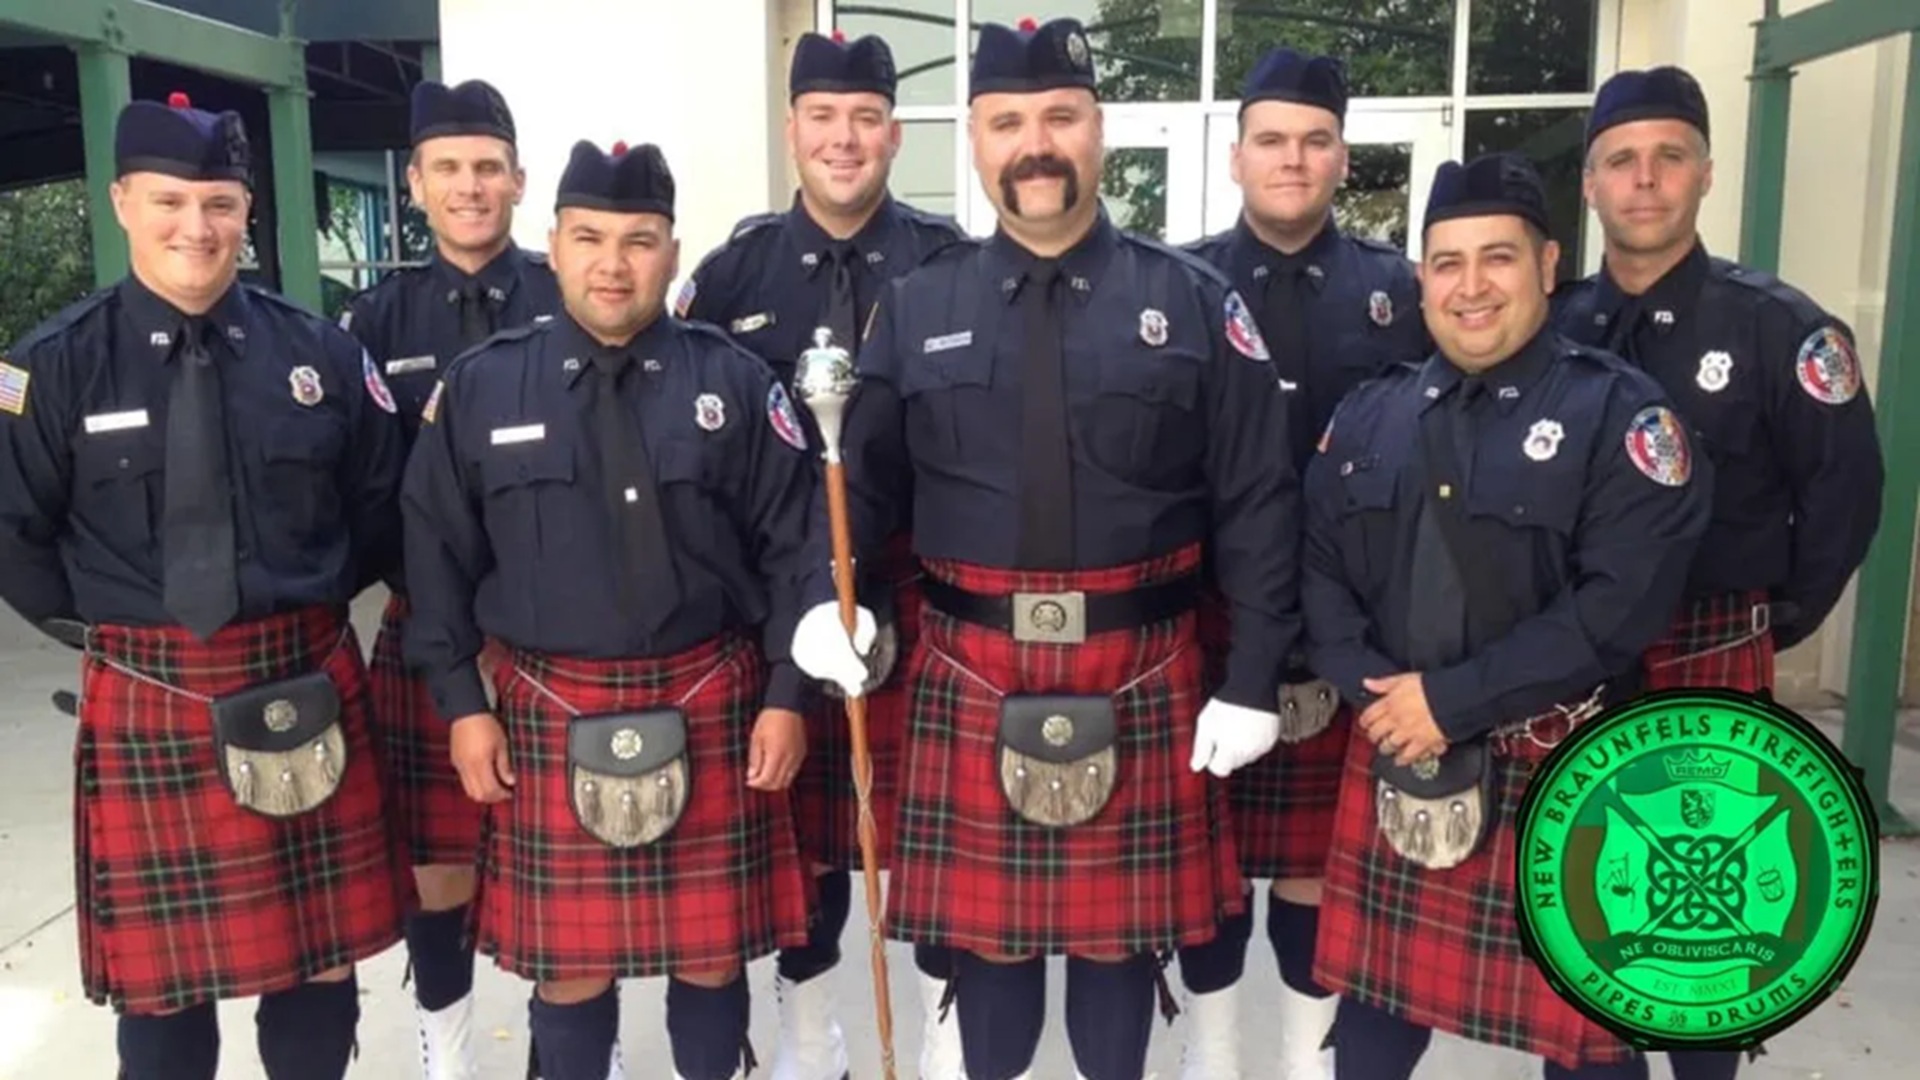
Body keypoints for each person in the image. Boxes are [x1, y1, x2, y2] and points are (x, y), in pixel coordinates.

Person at [792, 17, 1301, 1080]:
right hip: (969, 667)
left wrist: (1254, 681)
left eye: (1061, 118)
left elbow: (1259, 501)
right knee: (992, 985)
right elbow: (857, 486)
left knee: (1119, 978)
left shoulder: (1195, 303)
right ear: (975, 140)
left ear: (1097, 132)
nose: (1037, 144)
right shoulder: (917, 305)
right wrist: (823, 604)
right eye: (1009, 122)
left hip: (1146, 666)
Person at [401, 137, 829, 1080]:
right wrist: (462, 708)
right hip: (553, 705)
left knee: (713, 957)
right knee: (570, 971)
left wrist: (790, 696)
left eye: (640, 240)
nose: (612, 262)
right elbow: (432, 558)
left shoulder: (735, 383)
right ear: (550, 245)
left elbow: (801, 551)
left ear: (673, 253)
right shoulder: (479, 388)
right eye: (589, 237)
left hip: (713, 695)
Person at [0, 93, 407, 1080]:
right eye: (171, 201)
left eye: (220, 203)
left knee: (313, 978)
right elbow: (14, 534)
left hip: (300, 678)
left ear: (248, 211)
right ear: (124, 202)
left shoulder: (321, 355)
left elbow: (379, 506)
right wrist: (114, 636)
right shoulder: (50, 370)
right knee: (162, 997)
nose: (197, 226)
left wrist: (305, 602)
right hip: (152, 694)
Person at [1303, 151, 1713, 1080]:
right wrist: (1377, 696)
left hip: (1564, 763)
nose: (1471, 286)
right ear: (1422, 280)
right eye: (1447, 262)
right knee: (1372, 1019)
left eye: (1498, 258)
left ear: (1547, 265)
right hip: (1398, 743)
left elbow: (1617, 610)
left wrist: (1449, 701)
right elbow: (1318, 567)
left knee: (1586, 1038)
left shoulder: (1621, 414)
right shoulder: (1371, 415)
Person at [1550, 66, 1884, 1080]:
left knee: (1707, 948)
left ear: (1704, 174)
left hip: (1710, 652)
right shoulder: (1552, 324)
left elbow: (1845, 495)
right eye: (1621, 161)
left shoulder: (1780, 326)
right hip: (1573, 663)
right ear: (1595, 184)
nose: (1644, 180)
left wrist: (1771, 622)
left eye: (1667, 158)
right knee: (1582, 923)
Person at [674, 29, 967, 1080]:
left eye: (864, 118)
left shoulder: (950, 264)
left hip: (924, 598)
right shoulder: (731, 272)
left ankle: (942, 1041)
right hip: (782, 602)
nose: (843, 139)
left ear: (892, 132)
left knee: (935, 842)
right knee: (807, 843)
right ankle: (809, 1042)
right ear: (792, 128)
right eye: (822, 117)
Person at [1177, 45, 1428, 1080]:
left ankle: (1303, 1066)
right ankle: (1210, 1058)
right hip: (1207, 622)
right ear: (1235, 157)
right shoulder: (1179, 283)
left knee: (1321, 877)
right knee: (1205, 874)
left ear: (1342, 158)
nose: (1294, 159)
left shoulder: (1399, 293)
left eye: (1316, 141)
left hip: (1349, 627)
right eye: (1272, 141)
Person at [337, 76, 564, 1080]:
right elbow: (356, 489)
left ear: (517, 181)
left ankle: (564, 1055)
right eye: (448, 170)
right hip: (429, 630)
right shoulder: (371, 327)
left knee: (563, 863)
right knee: (439, 869)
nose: (469, 187)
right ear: (417, 184)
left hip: (563, 635)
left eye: (487, 168)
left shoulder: (574, 298)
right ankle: (450, 1055)